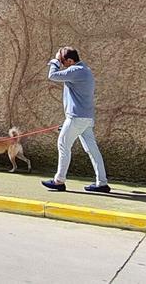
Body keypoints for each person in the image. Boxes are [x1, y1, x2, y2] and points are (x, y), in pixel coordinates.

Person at [41, 47, 110, 193]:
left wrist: (54, 62)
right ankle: (102, 183)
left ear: (71, 60)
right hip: (86, 118)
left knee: (63, 145)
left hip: (76, 117)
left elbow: (52, 75)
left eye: (63, 61)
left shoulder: (75, 71)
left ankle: (59, 181)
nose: (62, 63)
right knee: (92, 150)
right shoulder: (86, 70)